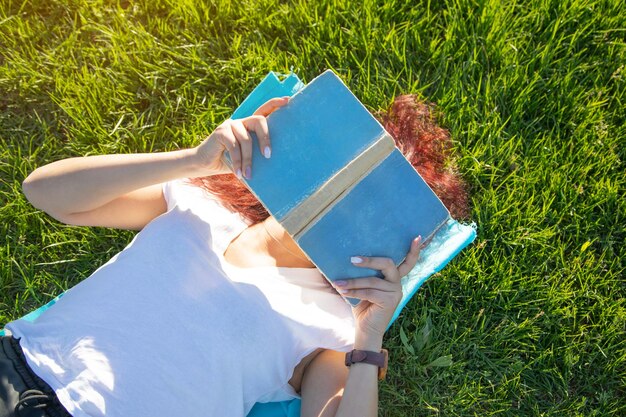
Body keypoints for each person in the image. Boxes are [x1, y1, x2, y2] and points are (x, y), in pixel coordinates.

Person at [1, 94, 469, 417]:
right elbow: (45, 192)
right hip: (17, 369)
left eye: (372, 206)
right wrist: (194, 160)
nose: (339, 202)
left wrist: (369, 337)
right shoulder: (199, 201)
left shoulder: (334, 327)